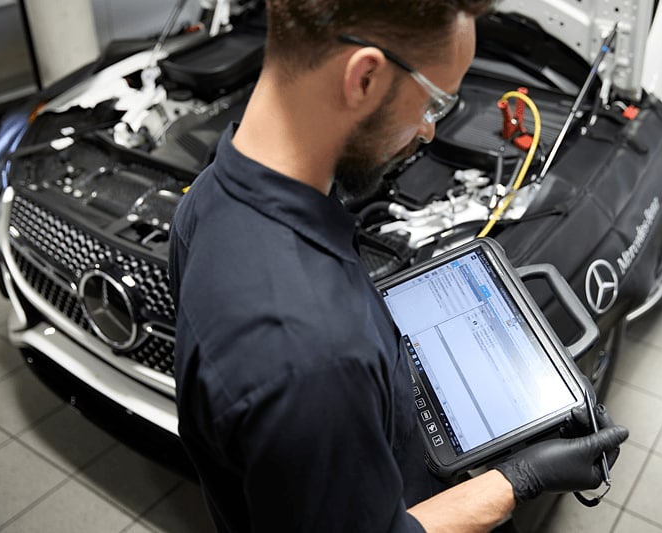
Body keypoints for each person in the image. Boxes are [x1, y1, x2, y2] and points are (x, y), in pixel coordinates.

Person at [168, 1, 629, 531]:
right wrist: (515, 480)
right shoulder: (315, 352)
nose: (429, 133)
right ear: (364, 77)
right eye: (434, 105)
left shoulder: (205, 199)